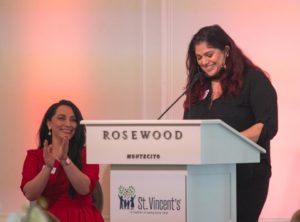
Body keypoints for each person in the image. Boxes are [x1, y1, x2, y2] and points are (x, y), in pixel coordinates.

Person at [183, 25, 278, 222]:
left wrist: (224, 143)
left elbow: (266, 125)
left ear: (226, 51)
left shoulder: (253, 80)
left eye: (209, 54)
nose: (204, 62)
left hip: (246, 177)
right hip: (203, 176)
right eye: (199, 57)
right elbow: (188, 130)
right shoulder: (198, 87)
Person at [20, 99, 104, 222]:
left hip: (81, 217)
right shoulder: (34, 156)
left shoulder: (88, 154)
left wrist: (65, 160)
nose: (68, 124)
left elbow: (85, 188)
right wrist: (48, 167)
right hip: (47, 218)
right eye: (61, 118)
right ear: (49, 123)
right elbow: (30, 194)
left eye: (73, 120)